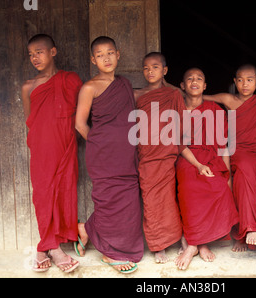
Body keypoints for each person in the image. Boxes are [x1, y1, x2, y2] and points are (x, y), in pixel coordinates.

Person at [74, 36, 143, 274]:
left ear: (118, 54)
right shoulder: (89, 87)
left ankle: (86, 228)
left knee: (129, 202)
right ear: (93, 60)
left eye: (110, 52)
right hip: (103, 155)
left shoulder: (124, 84)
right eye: (100, 54)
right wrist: (99, 144)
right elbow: (81, 124)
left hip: (126, 153)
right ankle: (109, 252)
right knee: (108, 201)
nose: (106, 58)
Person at [21, 34, 81, 273]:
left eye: (39, 51)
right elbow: (30, 119)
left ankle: (47, 246)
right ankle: (52, 247)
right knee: (44, 193)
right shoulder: (29, 86)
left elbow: (82, 110)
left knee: (64, 189)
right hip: (42, 146)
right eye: (31, 54)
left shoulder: (71, 79)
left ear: (53, 52)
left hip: (65, 144)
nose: (35, 57)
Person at [203, 64, 256, 252]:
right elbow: (196, 95)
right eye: (240, 80)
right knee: (245, 172)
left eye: (250, 80)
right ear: (235, 81)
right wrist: (168, 88)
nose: (245, 84)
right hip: (240, 152)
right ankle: (247, 230)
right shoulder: (228, 99)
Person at [175, 68, 239, 270]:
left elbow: (223, 146)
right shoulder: (176, 110)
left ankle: (202, 243)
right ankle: (194, 244)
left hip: (212, 158)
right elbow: (179, 144)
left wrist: (226, 175)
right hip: (188, 158)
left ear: (205, 86)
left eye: (199, 79)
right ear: (182, 86)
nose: (194, 81)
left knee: (218, 187)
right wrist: (198, 165)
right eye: (190, 79)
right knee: (189, 185)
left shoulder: (214, 109)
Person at [133, 52, 186, 264]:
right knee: (151, 199)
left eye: (155, 67)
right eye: (146, 68)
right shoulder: (138, 95)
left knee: (168, 199)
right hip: (145, 154)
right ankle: (158, 245)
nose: (150, 72)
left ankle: (176, 237)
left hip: (166, 153)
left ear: (164, 70)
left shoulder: (173, 94)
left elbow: (180, 125)